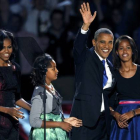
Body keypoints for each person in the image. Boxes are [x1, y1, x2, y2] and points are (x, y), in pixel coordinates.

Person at [70, 2, 115, 140]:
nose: (106, 46)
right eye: (102, 42)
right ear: (94, 43)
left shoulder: (111, 67)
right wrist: (85, 26)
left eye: (110, 42)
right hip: (84, 122)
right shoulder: (86, 57)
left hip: (103, 124)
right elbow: (78, 48)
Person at [29, 53, 82, 140]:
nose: (57, 71)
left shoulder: (50, 88)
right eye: (53, 69)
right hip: (44, 135)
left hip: (54, 134)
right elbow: (34, 122)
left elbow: (50, 117)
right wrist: (60, 124)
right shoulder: (40, 92)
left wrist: (65, 120)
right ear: (44, 71)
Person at [0, 30, 31, 140]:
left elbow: (16, 97)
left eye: (9, 47)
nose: (6, 51)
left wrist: (32, 109)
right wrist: (7, 110)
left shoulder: (15, 68)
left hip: (11, 123)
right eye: (2, 47)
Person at [109, 35, 140, 140]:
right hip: (121, 121)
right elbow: (105, 101)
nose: (125, 51)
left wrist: (133, 112)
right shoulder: (113, 74)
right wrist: (115, 115)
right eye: (121, 48)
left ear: (133, 51)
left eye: (128, 47)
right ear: (117, 52)